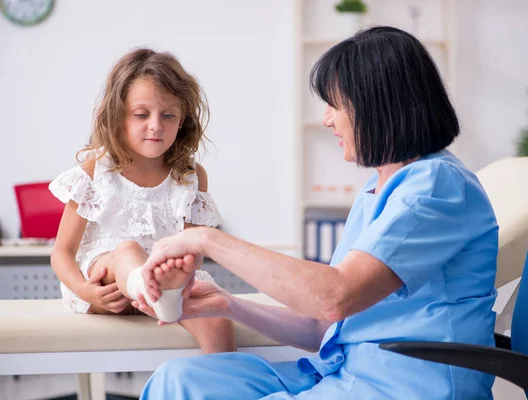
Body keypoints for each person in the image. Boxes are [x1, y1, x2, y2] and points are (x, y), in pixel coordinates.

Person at [134, 26, 499, 399]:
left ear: (378, 106)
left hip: (402, 387)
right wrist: (228, 305)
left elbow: (334, 296)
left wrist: (205, 238)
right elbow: (322, 325)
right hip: (343, 373)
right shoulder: (380, 188)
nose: (327, 120)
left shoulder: (436, 187)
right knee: (180, 380)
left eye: (335, 105)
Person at [49, 48, 235, 354]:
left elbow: (192, 248)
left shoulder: (191, 175)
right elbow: (61, 253)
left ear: (183, 119)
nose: (155, 125)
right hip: (108, 289)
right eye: (141, 114)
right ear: (118, 115)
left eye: (168, 115)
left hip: (168, 286)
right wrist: (85, 290)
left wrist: (183, 271)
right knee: (127, 251)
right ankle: (152, 291)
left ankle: (223, 384)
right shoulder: (96, 170)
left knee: (218, 317)